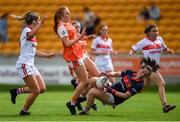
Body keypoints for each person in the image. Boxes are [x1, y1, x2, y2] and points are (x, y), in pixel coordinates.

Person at [79, 57, 176, 115]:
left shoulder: (139, 85)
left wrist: (110, 90)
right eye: (143, 71)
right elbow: (118, 73)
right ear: (141, 68)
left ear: (147, 76)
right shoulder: (130, 72)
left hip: (114, 98)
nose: (142, 74)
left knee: (92, 92)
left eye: (145, 75)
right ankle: (82, 97)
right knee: (92, 80)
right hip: (110, 88)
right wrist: (109, 74)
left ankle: (86, 110)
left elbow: (125, 96)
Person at [54, 6, 101, 115]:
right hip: (73, 56)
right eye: (66, 13)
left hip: (80, 54)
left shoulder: (69, 23)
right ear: (60, 15)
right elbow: (68, 43)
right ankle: (74, 101)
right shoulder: (61, 27)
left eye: (69, 13)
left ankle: (80, 98)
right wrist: (80, 38)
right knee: (84, 81)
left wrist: (85, 37)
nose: (69, 15)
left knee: (97, 75)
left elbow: (75, 36)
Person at [9, 11, 56, 116]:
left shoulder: (31, 33)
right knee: (36, 91)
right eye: (38, 20)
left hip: (30, 65)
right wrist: (41, 24)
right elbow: (30, 35)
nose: (39, 21)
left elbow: (34, 51)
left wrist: (47, 56)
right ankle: (23, 112)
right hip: (24, 64)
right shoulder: (27, 30)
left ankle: (16, 91)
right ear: (34, 21)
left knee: (42, 88)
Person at [128, 24, 175, 113]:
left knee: (142, 88)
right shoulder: (144, 41)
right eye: (153, 31)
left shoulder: (160, 40)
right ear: (148, 32)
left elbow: (164, 49)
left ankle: (123, 95)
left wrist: (169, 51)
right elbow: (133, 49)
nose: (156, 32)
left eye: (157, 30)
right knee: (162, 84)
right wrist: (131, 52)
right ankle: (165, 106)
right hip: (148, 66)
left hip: (154, 67)